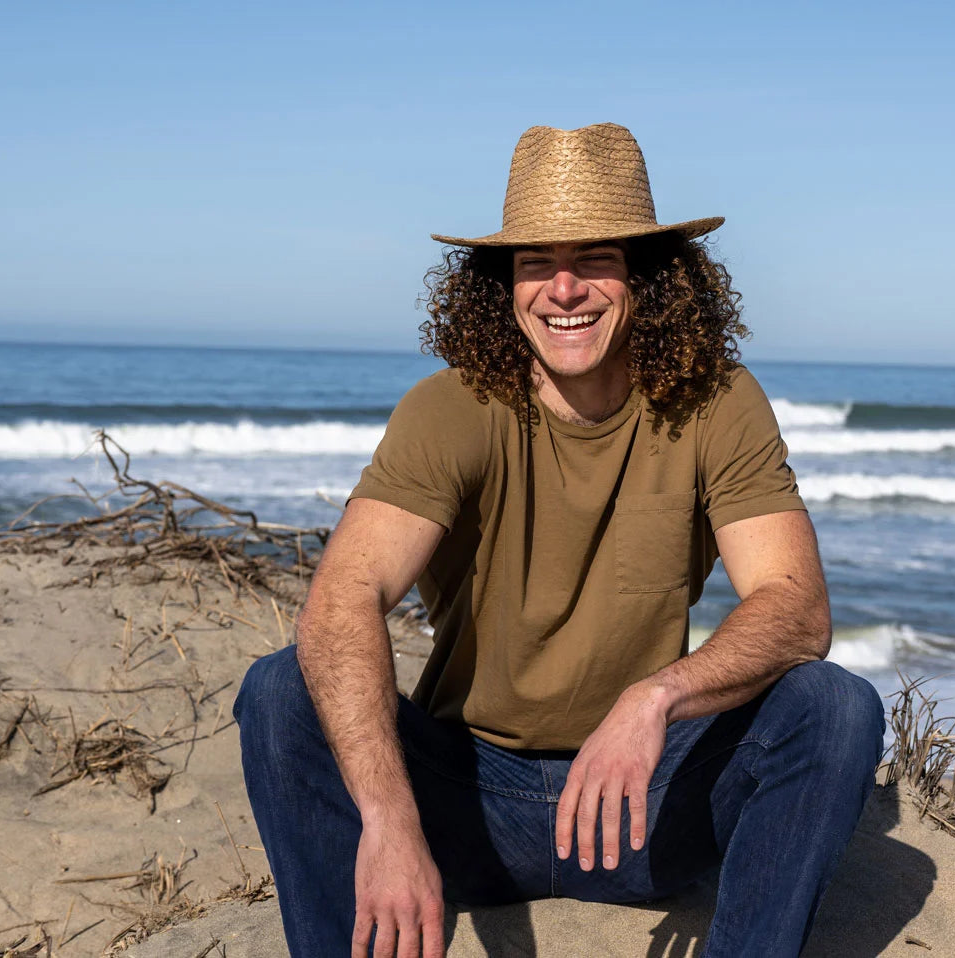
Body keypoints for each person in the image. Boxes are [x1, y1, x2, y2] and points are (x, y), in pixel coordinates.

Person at [234, 123, 884, 958]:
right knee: (280, 690)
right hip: (465, 803)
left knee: (833, 708)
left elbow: (796, 609)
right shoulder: (452, 406)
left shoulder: (714, 400)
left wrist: (653, 700)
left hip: (642, 805)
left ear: (649, 277)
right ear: (501, 284)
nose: (564, 289)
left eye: (597, 259)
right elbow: (342, 600)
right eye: (536, 261)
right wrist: (392, 824)